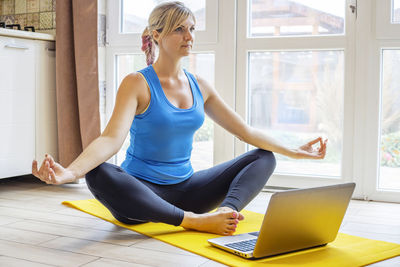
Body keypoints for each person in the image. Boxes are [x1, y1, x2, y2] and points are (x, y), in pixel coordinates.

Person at [32, 1, 327, 236]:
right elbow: (111, 139)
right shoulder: (137, 83)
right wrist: (71, 172)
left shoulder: (199, 84)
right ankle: (193, 222)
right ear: (157, 35)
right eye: (179, 30)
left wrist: (295, 151)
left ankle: (224, 214)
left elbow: (245, 131)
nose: (189, 37)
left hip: (188, 190)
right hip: (141, 198)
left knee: (265, 158)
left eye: (192, 29)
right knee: (98, 173)